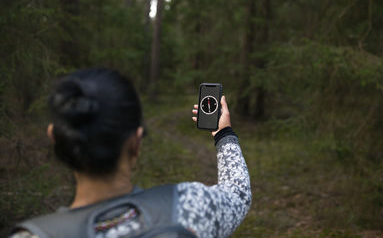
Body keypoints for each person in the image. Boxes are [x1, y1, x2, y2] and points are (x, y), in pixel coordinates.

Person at [10, 68, 251, 238]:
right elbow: (238, 193)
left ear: (55, 138)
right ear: (136, 142)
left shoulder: (31, 235)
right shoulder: (191, 207)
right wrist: (223, 133)